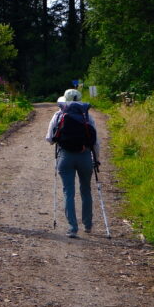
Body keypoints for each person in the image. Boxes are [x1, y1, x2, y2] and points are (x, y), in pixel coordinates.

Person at [46, 88, 100, 238]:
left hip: (65, 157)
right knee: (86, 190)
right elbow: (95, 142)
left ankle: (72, 228)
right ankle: (88, 225)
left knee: (68, 191)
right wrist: (97, 159)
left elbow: (50, 139)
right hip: (84, 157)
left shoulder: (58, 115)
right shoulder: (88, 116)